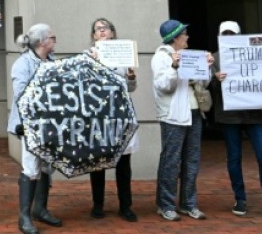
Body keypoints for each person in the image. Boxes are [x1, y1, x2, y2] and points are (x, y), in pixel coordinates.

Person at [210, 20, 262, 220]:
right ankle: (240, 199)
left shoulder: (257, 53)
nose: (229, 38)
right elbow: (208, 89)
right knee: (234, 158)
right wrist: (215, 79)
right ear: (219, 36)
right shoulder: (214, 59)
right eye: (225, 34)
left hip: (255, 114)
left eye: (232, 34)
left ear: (240, 35)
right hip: (230, 116)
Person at [151, 19, 214, 221]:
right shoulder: (161, 57)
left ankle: (188, 203)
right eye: (184, 34)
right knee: (171, 160)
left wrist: (208, 68)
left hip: (194, 112)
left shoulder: (190, 55)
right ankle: (166, 204)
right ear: (175, 38)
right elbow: (163, 86)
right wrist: (175, 66)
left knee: (192, 160)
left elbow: (202, 83)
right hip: (173, 116)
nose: (187, 37)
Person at [8, 23, 63, 234]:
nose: (55, 41)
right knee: (31, 166)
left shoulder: (51, 61)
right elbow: (21, 96)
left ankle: (40, 209)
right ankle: (24, 216)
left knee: (46, 165)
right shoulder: (23, 64)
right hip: (30, 124)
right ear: (42, 42)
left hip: (49, 123)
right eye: (53, 38)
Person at [83, 18, 138, 222]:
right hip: (98, 117)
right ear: (94, 35)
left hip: (120, 115)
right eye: (97, 29)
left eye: (105, 28)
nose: (102, 31)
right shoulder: (88, 56)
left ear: (113, 33)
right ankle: (98, 204)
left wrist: (131, 77)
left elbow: (131, 88)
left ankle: (126, 206)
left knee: (123, 163)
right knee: (98, 162)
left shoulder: (124, 54)